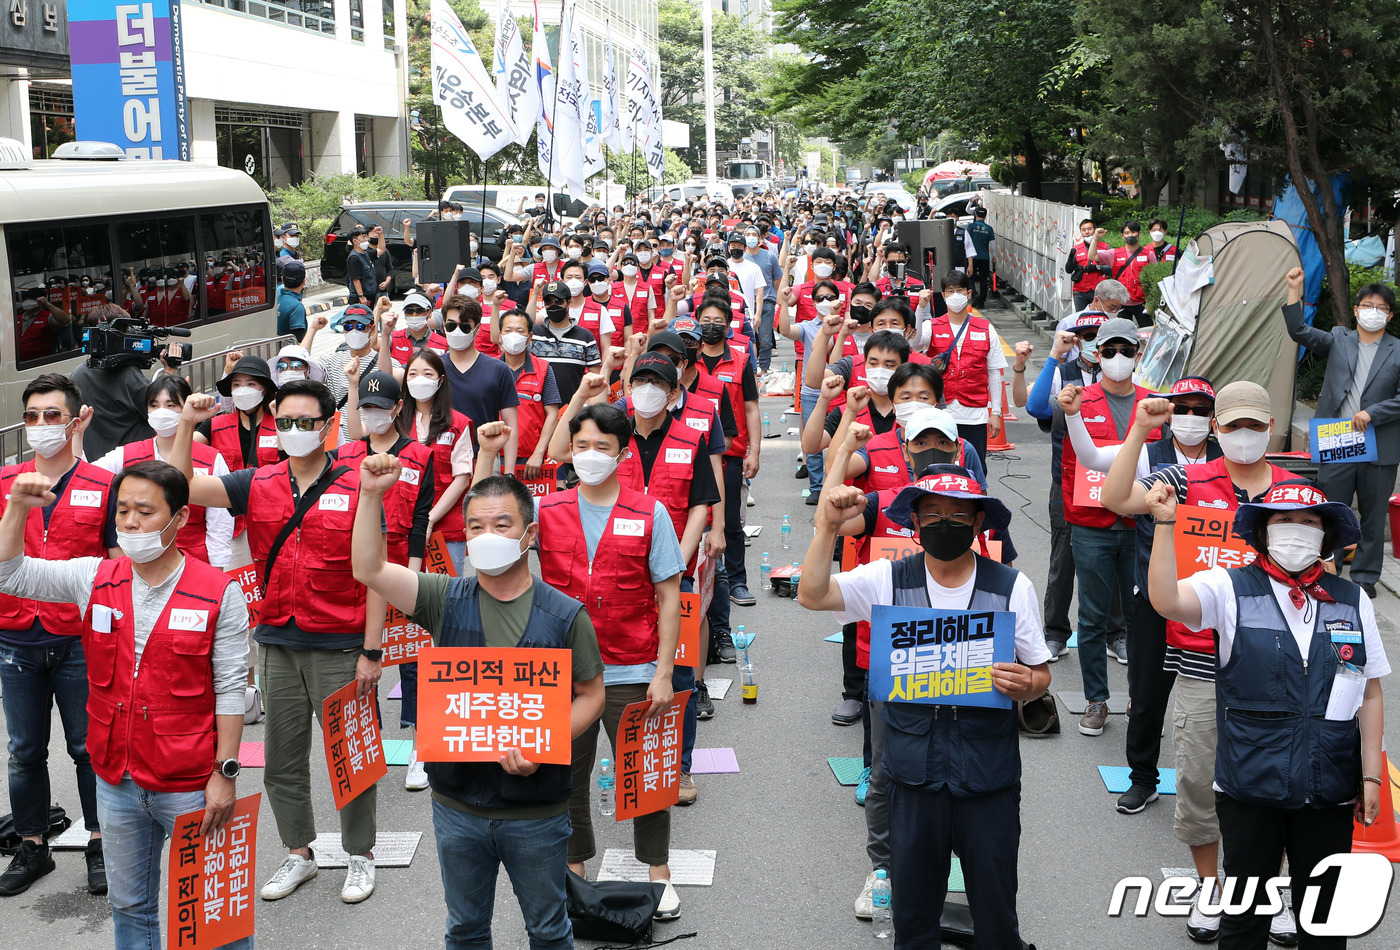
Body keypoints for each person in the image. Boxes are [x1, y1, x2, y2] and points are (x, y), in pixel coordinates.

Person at [351, 462, 605, 950]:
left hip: (537, 811)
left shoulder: (565, 616)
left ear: (529, 533)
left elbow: (591, 695)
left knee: (549, 931)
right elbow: (369, 569)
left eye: (501, 524)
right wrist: (369, 496)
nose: (487, 536)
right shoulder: (443, 598)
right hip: (457, 806)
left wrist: (542, 740)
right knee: (465, 930)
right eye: (475, 526)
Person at [797, 466, 1051, 949]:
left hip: (988, 776)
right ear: (914, 522)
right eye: (932, 513)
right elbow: (812, 595)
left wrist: (1028, 683)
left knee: (996, 910)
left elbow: (1040, 674)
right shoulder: (886, 579)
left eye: (958, 514)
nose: (945, 522)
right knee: (913, 916)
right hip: (912, 775)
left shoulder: (1011, 587)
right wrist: (827, 526)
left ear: (978, 524)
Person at [0, 460, 251, 947]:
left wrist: (225, 772)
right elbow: (10, 575)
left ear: (179, 518)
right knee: (130, 904)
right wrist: (15, 509)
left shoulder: (219, 593)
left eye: (144, 511)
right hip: (114, 777)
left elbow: (229, 687)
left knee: (213, 913)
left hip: (192, 783)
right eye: (122, 512)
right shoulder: (93, 577)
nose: (130, 522)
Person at [1095, 380, 1299, 943]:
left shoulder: (1295, 493)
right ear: (1216, 430)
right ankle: (1211, 889)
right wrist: (1138, 430)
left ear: (1271, 429)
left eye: (1255, 425)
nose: (1244, 435)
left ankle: (1268, 888)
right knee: (1197, 780)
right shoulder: (1185, 479)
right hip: (1201, 664)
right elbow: (1115, 499)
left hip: (1276, 670)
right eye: (1232, 425)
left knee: (1275, 785)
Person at [1146, 478, 1387, 950]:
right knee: (1244, 922)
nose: (1297, 530)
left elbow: (1370, 691)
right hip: (1249, 785)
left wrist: (1372, 776)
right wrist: (1165, 524)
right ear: (1263, 531)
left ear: (1326, 536)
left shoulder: (1352, 599)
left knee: (1325, 922)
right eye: (1283, 520)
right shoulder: (1229, 587)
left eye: (1309, 522)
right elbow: (1166, 601)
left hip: (1330, 787)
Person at [172, 381, 386, 905]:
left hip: (341, 644)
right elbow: (178, 486)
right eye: (284, 421)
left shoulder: (360, 486)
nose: (294, 432)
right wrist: (184, 426)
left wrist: (373, 652)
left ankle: (360, 854)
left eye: (306, 422)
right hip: (277, 642)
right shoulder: (258, 481)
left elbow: (378, 572)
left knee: (351, 760)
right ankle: (299, 854)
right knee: (282, 759)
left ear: (329, 425)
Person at [531, 403, 684, 921]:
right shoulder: (546, 511)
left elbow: (668, 597)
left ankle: (658, 872)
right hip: (564, 672)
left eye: (602, 447)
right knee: (565, 777)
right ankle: (573, 870)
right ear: (568, 451)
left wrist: (663, 673)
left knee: (645, 773)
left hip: (633, 667)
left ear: (622, 453)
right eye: (581, 446)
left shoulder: (650, 512)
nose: (590, 456)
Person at [552, 360, 719, 807]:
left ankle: (679, 767)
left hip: (670, 568)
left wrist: (678, 563)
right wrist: (582, 397)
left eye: (658, 383)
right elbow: (555, 452)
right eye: (639, 380)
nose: (647, 389)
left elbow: (702, 502)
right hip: (615, 572)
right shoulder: (608, 429)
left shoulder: (690, 438)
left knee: (676, 677)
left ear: (672, 391)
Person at [0, 374, 115, 898]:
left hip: (78, 639)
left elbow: (115, 568)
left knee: (88, 748)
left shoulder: (103, 484)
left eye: (52, 415)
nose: (41, 425)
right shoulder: (6, 481)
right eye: (32, 415)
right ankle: (32, 846)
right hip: (16, 636)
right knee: (24, 751)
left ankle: (99, 843)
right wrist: (16, 506)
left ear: (74, 420)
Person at [1057, 317, 1160, 736]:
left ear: (1138, 355)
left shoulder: (1156, 404)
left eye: (1127, 350)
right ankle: (1096, 700)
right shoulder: (1077, 399)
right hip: (1092, 524)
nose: (1119, 358)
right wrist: (1068, 410)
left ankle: (1139, 698)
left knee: (1142, 616)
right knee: (1094, 616)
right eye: (1110, 351)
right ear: (1095, 355)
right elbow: (1075, 460)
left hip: (1143, 525)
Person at [1282, 266, 1400, 599]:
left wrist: (1372, 413)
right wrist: (1294, 289)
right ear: (1356, 309)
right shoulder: (1339, 339)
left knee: (1374, 516)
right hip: (1338, 441)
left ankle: (1365, 578)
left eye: (1381, 308)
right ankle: (1327, 570)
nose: (1373, 313)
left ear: (1389, 316)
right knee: (1331, 510)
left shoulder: (1398, 350)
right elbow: (1299, 331)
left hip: (1380, 445)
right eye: (1367, 306)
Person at [90, 375, 234, 570]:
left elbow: (220, 523)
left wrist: (218, 569)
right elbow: (86, 476)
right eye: (154, 405)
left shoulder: (212, 458)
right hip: (140, 563)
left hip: (194, 563)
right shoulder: (127, 454)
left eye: (171, 405)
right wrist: (77, 434)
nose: (161, 412)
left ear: (187, 409)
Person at [693, 296, 761, 606]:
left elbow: (751, 408)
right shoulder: (685, 360)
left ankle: (737, 581)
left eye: (718, 321)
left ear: (729, 325)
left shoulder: (741, 360)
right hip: (690, 453)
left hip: (730, 455)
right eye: (705, 320)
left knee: (731, 522)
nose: (711, 326)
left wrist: (754, 451)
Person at [926, 271, 1006, 462]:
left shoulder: (986, 328)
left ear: (969, 293)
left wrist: (995, 413)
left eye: (959, 290)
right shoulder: (931, 326)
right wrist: (921, 308)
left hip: (975, 416)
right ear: (943, 295)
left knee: (975, 468)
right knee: (939, 467)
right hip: (940, 414)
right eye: (950, 291)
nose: (955, 295)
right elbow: (913, 344)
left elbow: (995, 372)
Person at [70, 304, 156, 461]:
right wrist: (170, 371)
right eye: (126, 331)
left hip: (96, 463)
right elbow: (160, 415)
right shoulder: (130, 376)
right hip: (131, 463)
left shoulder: (78, 373)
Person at [303, 300, 391, 446]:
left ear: (372, 329)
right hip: (335, 443)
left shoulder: (386, 363)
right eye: (348, 326)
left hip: (368, 442)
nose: (353, 331)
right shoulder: (331, 360)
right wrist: (312, 329)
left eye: (360, 326)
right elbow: (300, 364)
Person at [496, 309, 561, 481]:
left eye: (520, 331)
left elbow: (552, 414)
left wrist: (539, 453)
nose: (513, 336)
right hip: (494, 457)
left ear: (530, 337)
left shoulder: (544, 369)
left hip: (530, 461)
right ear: (500, 336)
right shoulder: (490, 368)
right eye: (508, 331)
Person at [531, 280, 602, 406]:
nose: (553, 305)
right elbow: (525, 324)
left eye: (558, 301)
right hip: (538, 410)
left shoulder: (585, 337)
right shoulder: (534, 334)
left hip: (573, 410)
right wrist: (535, 293)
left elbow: (595, 376)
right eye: (549, 301)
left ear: (569, 303)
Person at [743, 223, 781, 371]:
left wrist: (776, 297)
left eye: (754, 235)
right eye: (748, 235)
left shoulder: (769, 256)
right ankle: (750, 368)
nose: (751, 238)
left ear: (760, 238)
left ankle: (764, 369)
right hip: (747, 304)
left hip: (766, 302)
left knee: (765, 339)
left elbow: (777, 278)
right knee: (747, 339)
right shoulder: (742, 257)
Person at [384, 290, 448, 369]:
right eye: (409, 311)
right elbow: (373, 345)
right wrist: (378, 311)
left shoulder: (444, 343)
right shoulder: (393, 337)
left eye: (419, 310)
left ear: (430, 313)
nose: (414, 315)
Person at [1065, 221, 1114, 311]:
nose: (1087, 232)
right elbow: (1068, 270)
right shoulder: (1077, 249)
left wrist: (1098, 268)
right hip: (1080, 291)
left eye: (1089, 229)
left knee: (1098, 317)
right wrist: (1070, 257)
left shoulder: (1105, 247)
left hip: (1099, 291)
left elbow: (1113, 268)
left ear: (1095, 230)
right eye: (1083, 230)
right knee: (1081, 317)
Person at [1110, 221, 1153, 326]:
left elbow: (1154, 280)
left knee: (1147, 333)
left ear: (1139, 234)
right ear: (1122, 235)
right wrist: (1096, 238)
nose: (1130, 235)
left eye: (1133, 232)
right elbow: (1092, 256)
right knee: (1122, 333)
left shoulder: (1148, 254)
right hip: (1122, 302)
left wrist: (1150, 302)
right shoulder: (1114, 253)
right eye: (1127, 232)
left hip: (1142, 302)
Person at [963, 207, 997, 308]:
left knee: (970, 276)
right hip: (985, 257)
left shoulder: (971, 227)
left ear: (976, 215)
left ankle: (974, 294)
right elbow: (992, 245)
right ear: (985, 216)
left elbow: (967, 242)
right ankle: (981, 301)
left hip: (972, 257)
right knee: (983, 279)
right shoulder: (989, 228)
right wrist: (994, 256)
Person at [346, 225, 383, 308]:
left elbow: (381, 249)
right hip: (360, 299)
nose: (366, 240)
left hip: (371, 296)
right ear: (355, 241)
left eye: (366, 237)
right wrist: (361, 296)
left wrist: (380, 234)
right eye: (363, 238)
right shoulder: (354, 258)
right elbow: (356, 279)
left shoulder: (366, 254)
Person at [276, 260, 308, 338]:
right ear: (304, 281)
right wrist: (314, 328)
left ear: (282, 279)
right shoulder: (296, 307)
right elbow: (297, 340)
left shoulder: (276, 300)